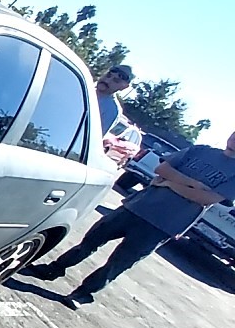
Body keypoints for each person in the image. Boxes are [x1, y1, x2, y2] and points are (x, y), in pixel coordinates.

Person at [26, 130, 235, 308]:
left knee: (118, 263)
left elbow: (206, 198)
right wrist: (191, 184)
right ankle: (53, 269)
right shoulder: (201, 150)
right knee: (89, 241)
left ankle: (82, 294)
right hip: (137, 206)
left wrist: (170, 183)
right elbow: (161, 168)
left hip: (163, 225)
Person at [94, 64, 133, 135]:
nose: (107, 81)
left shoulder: (111, 110)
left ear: (123, 87)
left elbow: (93, 135)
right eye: (108, 75)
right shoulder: (82, 87)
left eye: (116, 81)